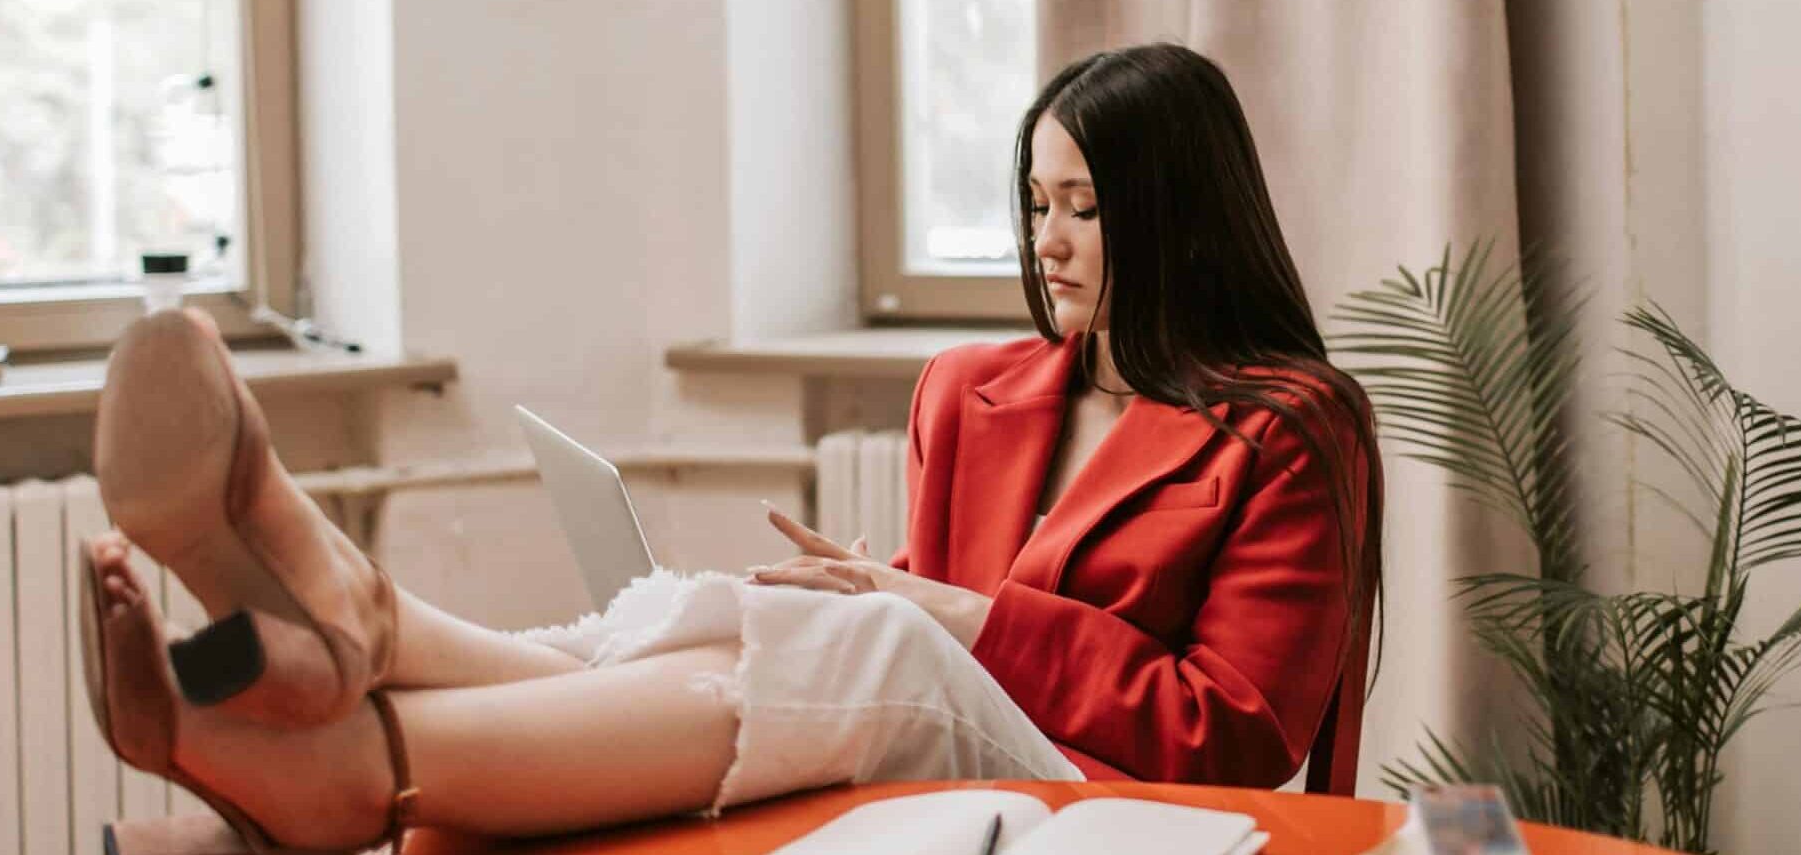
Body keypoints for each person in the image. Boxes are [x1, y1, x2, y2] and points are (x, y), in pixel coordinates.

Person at [79, 43, 1382, 854]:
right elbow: (930, 637)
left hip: (1120, 802)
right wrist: (885, 595)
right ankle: (358, 644)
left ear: (1179, 220)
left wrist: (945, 612)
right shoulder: (973, 390)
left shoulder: (1287, 428)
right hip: (957, 729)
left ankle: (358, 755)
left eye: (1087, 209)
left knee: (865, 641)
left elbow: (1236, 736)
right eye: (1036, 203)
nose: (1046, 242)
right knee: (742, 611)